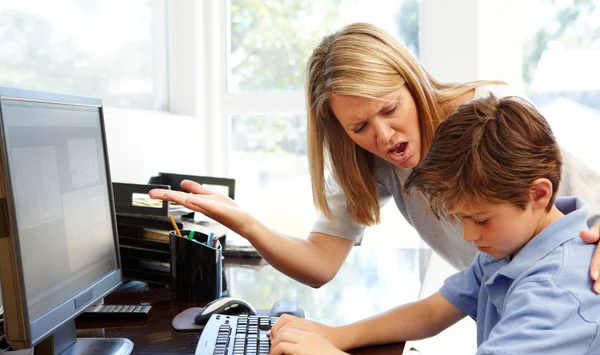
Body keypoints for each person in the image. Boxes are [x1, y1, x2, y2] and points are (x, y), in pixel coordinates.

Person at [148, 22, 600, 292]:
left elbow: (589, 201)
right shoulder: (366, 160)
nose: (384, 137)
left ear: (411, 81)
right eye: (359, 127)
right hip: (503, 305)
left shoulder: (486, 119)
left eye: (389, 109)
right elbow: (320, 263)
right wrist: (244, 222)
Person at [268, 95, 600, 355]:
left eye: (480, 219)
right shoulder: (515, 247)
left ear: (538, 195)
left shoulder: (557, 285)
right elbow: (431, 313)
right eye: (461, 219)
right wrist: (337, 337)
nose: (469, 235)